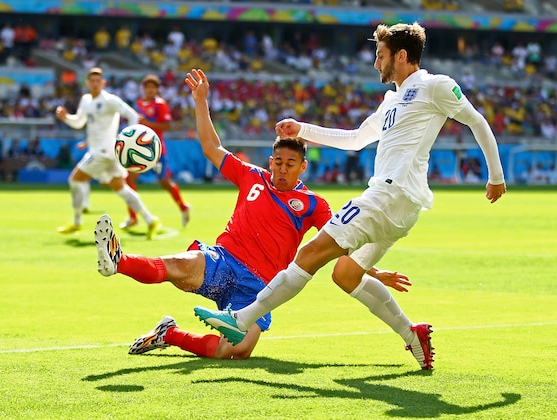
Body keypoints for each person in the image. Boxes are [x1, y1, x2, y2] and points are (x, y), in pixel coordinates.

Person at [194, 22, 507, 370]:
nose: (376, 63)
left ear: (401, 56)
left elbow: (477, 121)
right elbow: (357, 138)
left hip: (390, 195)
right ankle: (412, 334)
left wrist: (496, 177)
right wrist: (304, 130)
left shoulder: (435, 86)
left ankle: (240, 319)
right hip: (401, 206)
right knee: (345, 274)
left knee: (310, 253)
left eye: (381, 55)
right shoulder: (390, 101)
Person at [93, 68, 411, 360]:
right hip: (222, 260)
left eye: (290, 164)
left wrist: (372, 270)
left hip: (259, 288)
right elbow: (210, 145)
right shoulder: (252, 176)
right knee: (178, 266)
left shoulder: (313, 204)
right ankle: (117, 260)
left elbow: (341, 243)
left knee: (235, 351)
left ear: (303, 167)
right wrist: (200, 101)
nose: (282, 169)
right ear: (270, 161)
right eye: (278, 161)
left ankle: (170, 334)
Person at [55, 67, 160, 239]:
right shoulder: (86, 100)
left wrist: (130, 140)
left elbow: (132, 115)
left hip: (103, 152)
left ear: (103, 83)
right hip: (105, 152)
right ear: (87, 83)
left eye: (98, 81)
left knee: (75, 180)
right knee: (121, 189)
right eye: (92, 81)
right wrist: (66, 117)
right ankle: (150, 219)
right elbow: (79, 122)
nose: (95, 84)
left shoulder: (110, 100)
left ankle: (76, 222)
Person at [120, 73, 190, 229]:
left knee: (165, 183)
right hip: (139, 150)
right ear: (143, 88)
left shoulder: (160, 104)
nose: (150, 90)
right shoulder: (138, 104)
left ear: (158, 89)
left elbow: (167, 126)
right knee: (129, 180)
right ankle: (133, 217)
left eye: (154, 87)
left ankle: (183, 207)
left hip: (156, 151)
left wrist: (147, 122)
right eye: (148, 87)